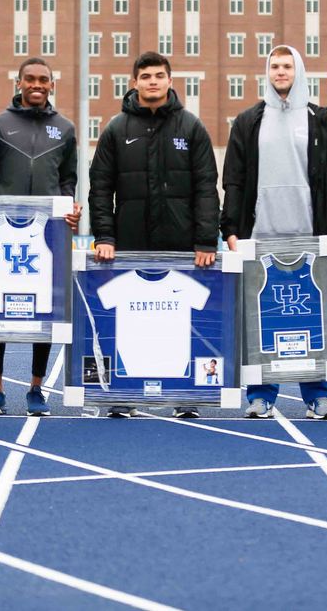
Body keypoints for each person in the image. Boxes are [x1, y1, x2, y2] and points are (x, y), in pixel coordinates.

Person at [220, 45, 327, 421]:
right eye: (275, 66)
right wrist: (230, 228)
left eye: (287, 66)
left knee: (313, 317)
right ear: (267, 71)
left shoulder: (319, 120)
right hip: (261, 235)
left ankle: (318, 395)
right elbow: (233, 178)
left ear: (299, 71)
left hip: (312, 234)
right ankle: (261, 395)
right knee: (263, 317)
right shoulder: (249, 120)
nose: (281, 72)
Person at [89, 51, 220, 419]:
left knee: (181, 322)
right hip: (129, 243)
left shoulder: (191, 127)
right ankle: (123, 395)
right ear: (134, 83)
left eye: (159, 75)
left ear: (169, 81)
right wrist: (104, 235)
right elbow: (100, 187)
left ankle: (185, 396)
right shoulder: (116, 128)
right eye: (145, 76)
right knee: (129, 321)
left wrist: (206, 239)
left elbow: (206, 187)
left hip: (180, 244)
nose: (152, 81)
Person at [0, 57, 81, 417]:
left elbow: (68, 180)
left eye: (43, 79)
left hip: (47, 237)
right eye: (30, 79)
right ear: (19, 83)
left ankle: (36, 389)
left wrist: (70, 206)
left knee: (43, 309)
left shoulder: (66, 128)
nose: (37, 84)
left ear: (52, 84)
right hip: (2, 236)